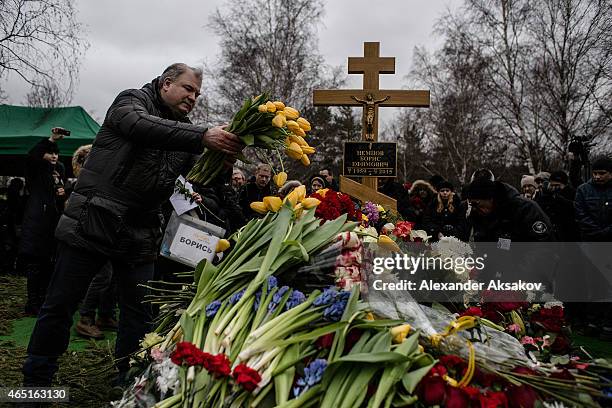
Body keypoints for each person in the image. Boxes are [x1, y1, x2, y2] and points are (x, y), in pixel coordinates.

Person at [22, 63, 242, 389]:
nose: (193, 97)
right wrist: (202, 136)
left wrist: (223, 160)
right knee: (60, 305)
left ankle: (128, 382)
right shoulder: (130, 103)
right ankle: (36, 381)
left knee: (139, 314)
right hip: (93, 221)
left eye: (197, 93)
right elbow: (142, 127)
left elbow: (198, 176)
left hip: (141, 232)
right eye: (187, 88)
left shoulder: (185, 130)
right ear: (166, 84)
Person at [20, 129, 67, 315]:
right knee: (35, 265)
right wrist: (50, 140)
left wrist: (62, 195)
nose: (53, 156)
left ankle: (42, 300)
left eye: (56, 152)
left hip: (52, 225)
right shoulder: (36, 169)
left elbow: (58, 199)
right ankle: (32, 303)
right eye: (50, 152)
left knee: (48, 265)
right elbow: (32, 156)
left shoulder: (59, 170)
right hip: (36, 224)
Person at [575, 156, 612, 242]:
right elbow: (580, 215)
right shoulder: (583, 190)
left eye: (602, 173)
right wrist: (598, 232)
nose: (597, 177)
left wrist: (607, 232)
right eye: (595, 173)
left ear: (611, 173)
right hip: (590, 240)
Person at [535, 170, 577, 241]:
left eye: (557, 185)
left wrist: (560, 199)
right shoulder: (548, 196)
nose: (554, 188)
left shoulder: (573, 193)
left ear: (565, 184)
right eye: (552, 185)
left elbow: (575, 207)